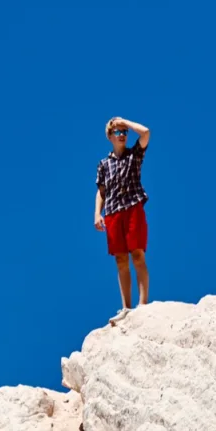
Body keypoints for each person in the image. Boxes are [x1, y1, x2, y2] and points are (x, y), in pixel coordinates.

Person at [94, 116, 151, 321]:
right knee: (120, 259)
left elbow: (145, 133)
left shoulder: (133, 155)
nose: (122, 135)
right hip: (113, 213)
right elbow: (102, 190)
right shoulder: (104, 164)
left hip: (133, 207)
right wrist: (96, 214)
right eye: (117, 132)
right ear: (109, 136)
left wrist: (125, 122)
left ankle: (143, 304)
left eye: (124, 132)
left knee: (137, 254)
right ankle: (126, 307)